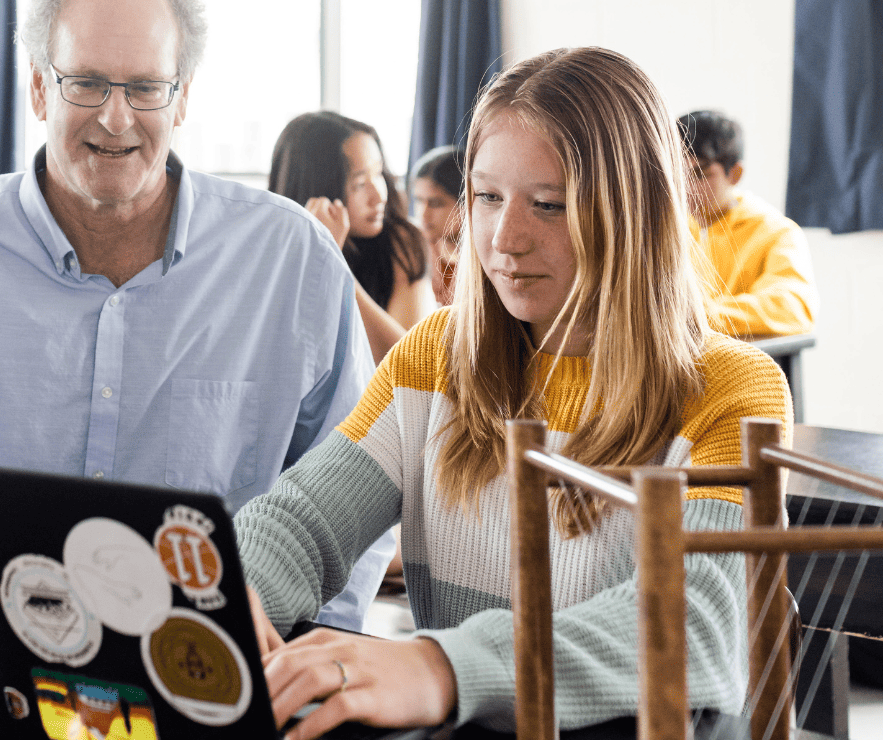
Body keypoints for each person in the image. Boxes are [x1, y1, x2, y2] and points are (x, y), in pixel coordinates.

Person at [0, 0, 393, 678]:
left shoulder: (292, 259)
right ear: (39, 86)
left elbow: (358, 483)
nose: (115, 117)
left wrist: (314, 655)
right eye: (87, 83)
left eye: (146, 87)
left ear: (182, 97)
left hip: (203, 674)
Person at [235, 47, 792, 736]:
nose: (505, 239)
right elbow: (301, 522)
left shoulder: (733, 389)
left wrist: (442, 667)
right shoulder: (434, 356)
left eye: (549, 205)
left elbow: (695, 624)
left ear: (635, 213)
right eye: (487, 197)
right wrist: (232, 595)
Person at [269, 112, 435, 363]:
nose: (379, 196)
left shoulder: (402, 241)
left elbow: (411, 365)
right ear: (319, 191)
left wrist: (332, 259)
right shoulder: (275, 245)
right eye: (359, 184)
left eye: (378, 173)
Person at [677, 110, 818, 337]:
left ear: (735, 174)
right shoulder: (665, 230)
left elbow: (793, 308)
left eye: (700, 174)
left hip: (740, 357)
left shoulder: (776, 233)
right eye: (676, 173)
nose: (684, 187)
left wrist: (696, 318)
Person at [410, 145, 465, 305]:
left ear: (465, 203)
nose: (423, 214)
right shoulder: (414, 245)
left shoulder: (487, 258)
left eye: (436, 203)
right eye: (419, 200)